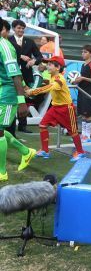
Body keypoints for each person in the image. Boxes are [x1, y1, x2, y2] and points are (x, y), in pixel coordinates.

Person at [26, 56, 86, 161]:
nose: (47, 66)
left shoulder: (59, 79)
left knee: (73, 132)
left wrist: (33, 91)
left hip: (66, 109)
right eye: (47, 64)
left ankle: (80, 152)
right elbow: (49, 85)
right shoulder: (53, 76)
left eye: (50, 65)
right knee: (42, 125)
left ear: (57, 68)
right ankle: (45, 151)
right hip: (55, 107)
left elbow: (50, 87)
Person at [0, 18, 35, 182]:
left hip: (7, 93)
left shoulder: (5, 46)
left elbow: (15, 75)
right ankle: (26, 152)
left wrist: (22, 102)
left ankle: (2, 172)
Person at [9, 19, 42, 133]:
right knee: (12, 99)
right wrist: (21, 56)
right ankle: (10, 125)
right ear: (13, 28)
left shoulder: (30, 41)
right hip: (11, 75)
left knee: (24, 99)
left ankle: (22, 125)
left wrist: (34, 61)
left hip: (26, 76)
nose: (21, 30)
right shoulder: (7, 41)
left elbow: (39, 56)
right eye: (19, 28)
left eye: (23, 28)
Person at [72, 44, 91, 142]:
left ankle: (88, 136)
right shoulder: (83, 65)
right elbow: (81, 78)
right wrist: (76, 80)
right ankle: (83, 134)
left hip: (88, 93)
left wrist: (83, 78)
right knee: (83, 114)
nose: (83, 53)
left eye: (85, 52)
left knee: (88, 114)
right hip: (81, 91)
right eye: (82, 52)